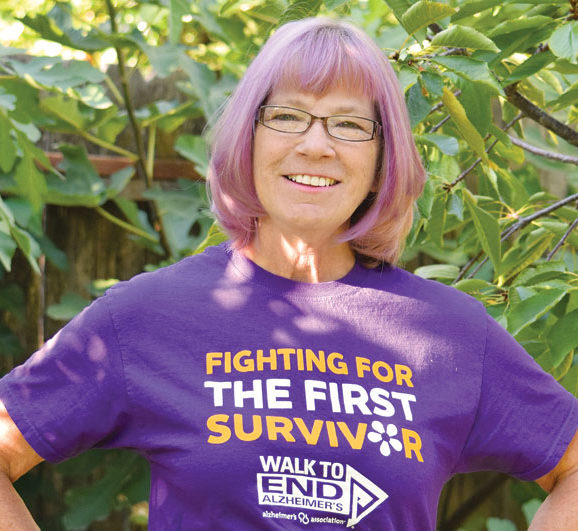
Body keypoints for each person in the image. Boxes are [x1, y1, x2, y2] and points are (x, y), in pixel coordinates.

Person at [1, 17, 577, 530]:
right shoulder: (145, 318)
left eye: (350, 125)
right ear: (248, 138)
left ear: (383, 160)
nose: (316, 145)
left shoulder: (449, 334)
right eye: (286, 116)